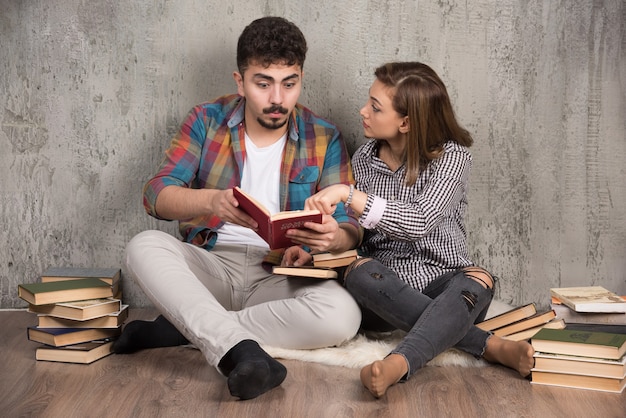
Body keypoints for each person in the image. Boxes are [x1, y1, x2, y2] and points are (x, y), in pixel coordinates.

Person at [115, 16, 362, 400]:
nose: (277, 98)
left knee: (344, 316)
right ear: (240, 81)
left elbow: (350, 227)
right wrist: (211, 200)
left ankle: (187, 329)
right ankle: (239, 351)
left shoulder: (324, 135)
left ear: (300, 79)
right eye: (263, 84)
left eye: (289, 84)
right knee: (143, 246)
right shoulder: (205, 120)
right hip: (211, 266)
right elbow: (156, 194)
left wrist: (333, 238)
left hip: (281, 274)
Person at [289, 62, 535, 398]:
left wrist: (349, 194)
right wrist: (318, 244)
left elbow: (419, 221)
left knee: (480, 279)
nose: (363, 111)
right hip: (382, 294)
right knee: (358, 271)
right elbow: (356, 233)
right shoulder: (363, 159)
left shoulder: (452, 158)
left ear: (405, 122)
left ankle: (398, 363)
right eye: (368, 102)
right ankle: (489, 346)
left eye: (375, 107)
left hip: (443, 281)